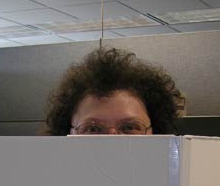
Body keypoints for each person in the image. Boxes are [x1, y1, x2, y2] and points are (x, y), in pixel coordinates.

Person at [45, 47, 181, 136]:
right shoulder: (45, 173)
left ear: (155, 131)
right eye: (93, 129)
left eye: (129, 127)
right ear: (68, 132)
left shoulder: (181, 173)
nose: (112, 140)